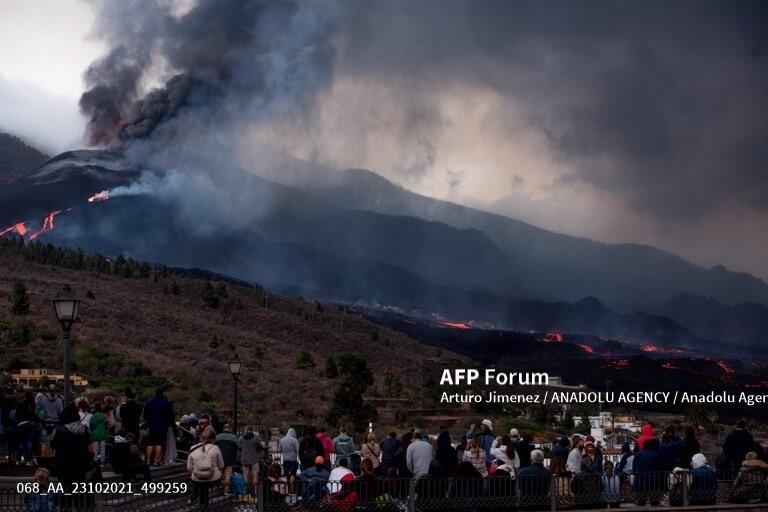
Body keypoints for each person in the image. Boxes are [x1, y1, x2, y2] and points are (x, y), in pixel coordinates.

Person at [50, 405, 90, 508]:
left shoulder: (60, 430)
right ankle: (79, 506)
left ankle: (65, 507)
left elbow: (53, 445)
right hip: (80, 464)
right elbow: (88, 443)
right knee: (78, 489)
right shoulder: (84, 430)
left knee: (64, 490)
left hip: (64, 465)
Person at [187, 426, 225, 508]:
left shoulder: (192, 448)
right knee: (207, 482)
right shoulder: (216, 448)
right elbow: (221, 465)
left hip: (197, 477)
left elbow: (189, 468)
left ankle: (196, 499)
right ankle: (204, 505)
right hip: (213, 478)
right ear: (214, 438)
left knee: (200, 483)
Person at [142, 388, 174, 466]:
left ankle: (148, 461)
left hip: (151, 425)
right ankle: (156, 461)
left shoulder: (149, 402)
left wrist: (149, 421)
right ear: (162, 393)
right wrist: (169, 423)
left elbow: (145, 414)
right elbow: (170, 415)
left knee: (150, 442)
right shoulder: (166, 403)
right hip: (162, 425)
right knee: (159, 443)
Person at [632, 438, 663, 506]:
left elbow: (634, 468)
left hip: (640, 481)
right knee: (654, 502)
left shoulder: (638, 454)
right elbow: (660, 468)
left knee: (641, 502)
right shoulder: (656, 455)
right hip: (653, 481)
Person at [241, 426, 267, 494]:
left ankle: (245, 491)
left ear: (246, 430)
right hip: (254, 460)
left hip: (245, 459)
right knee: (255, 476)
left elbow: (240, 446)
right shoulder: (255, 439)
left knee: (245, 476)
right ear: (252, 430)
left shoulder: (242, 438)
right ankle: (255, 491)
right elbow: (260, 447)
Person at [14, 392, 38, 466]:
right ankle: (28, 461)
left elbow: (16, 415)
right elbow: (35, 415)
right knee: (29, 442)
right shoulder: (32, 405)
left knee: (20, 442)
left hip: (20, 424)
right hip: (30, 423)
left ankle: (18, 460)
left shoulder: (20, 405)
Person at [215, 423, 239, 495]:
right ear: (230, 429)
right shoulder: (234, 437)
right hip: (230, 459)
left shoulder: (218, 436)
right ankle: (226, 489)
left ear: (223, 429)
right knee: (227, 474)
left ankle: (219, 487)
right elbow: (239, 446)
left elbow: (214, 445)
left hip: (220, 459)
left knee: (220, 473)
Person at [90, 402, 108, 467]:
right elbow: (106, 426)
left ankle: (95, 462)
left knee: (95, 449)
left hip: (95, 434)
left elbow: (91, 427)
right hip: (102, 434)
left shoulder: (93, 417)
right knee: (103, 449)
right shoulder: (104, 416)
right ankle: (102, 462)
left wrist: (91, 435)